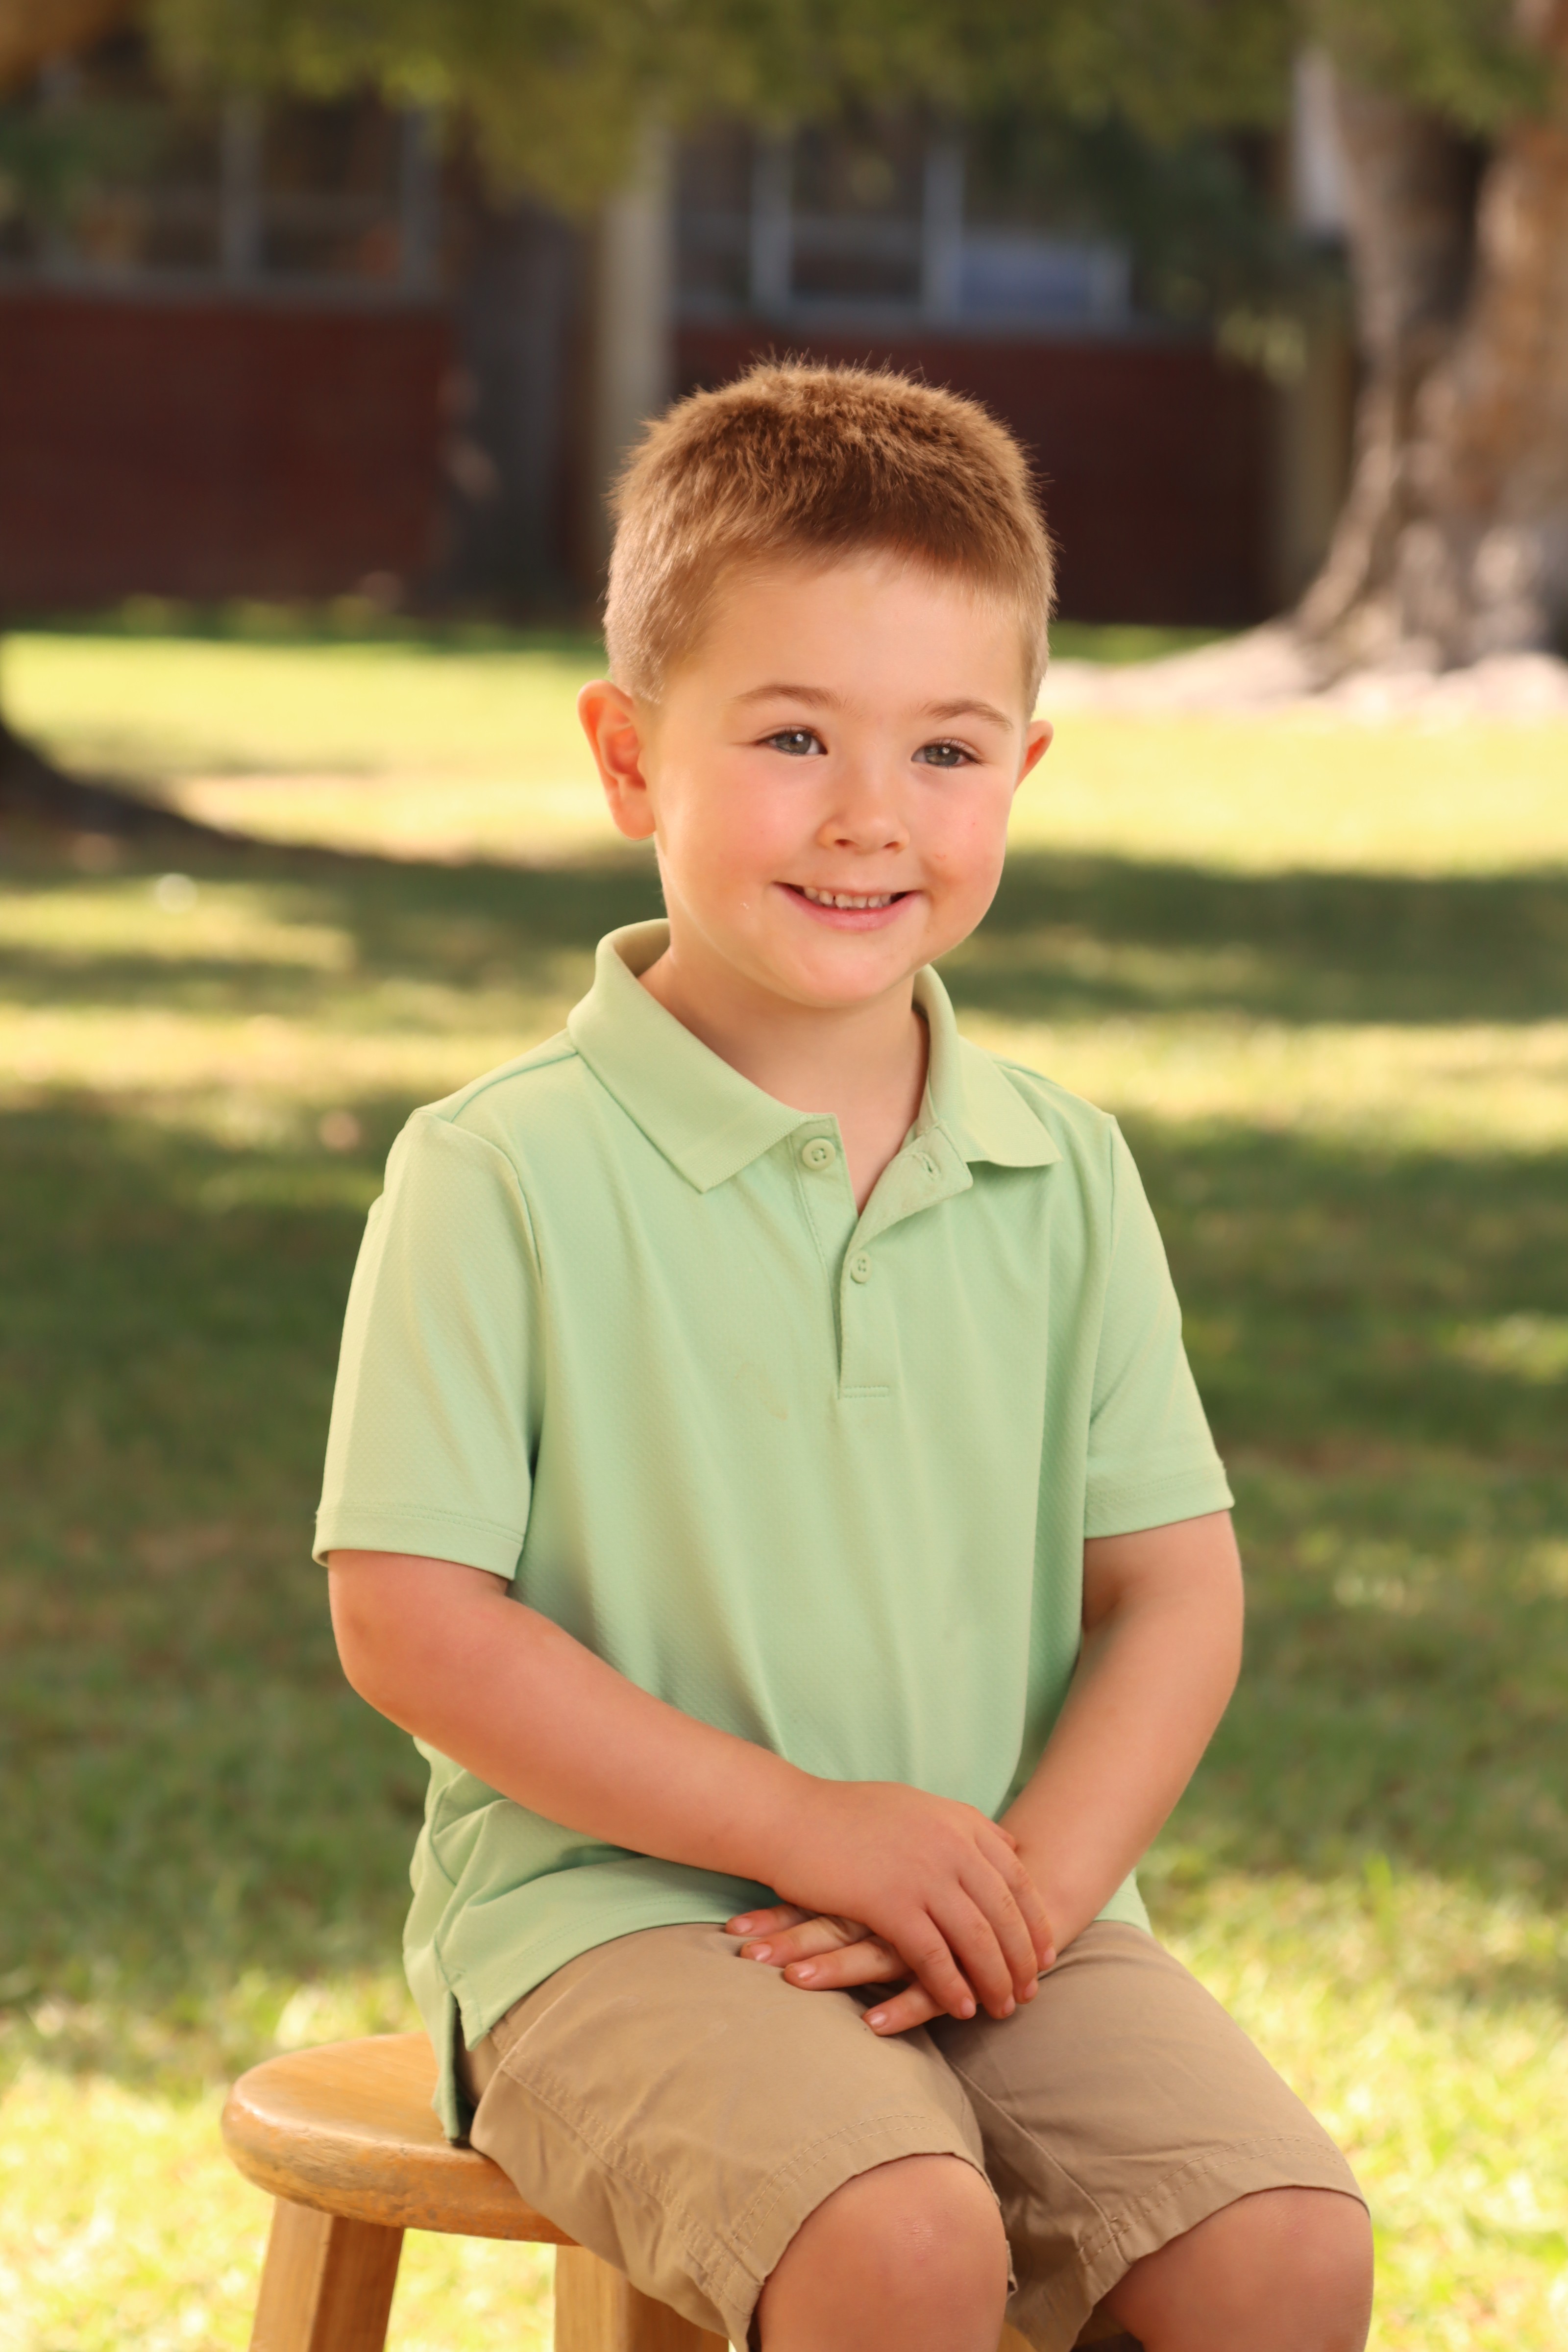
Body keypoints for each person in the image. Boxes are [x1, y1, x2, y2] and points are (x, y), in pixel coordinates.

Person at [317, 362, 1372, 2352]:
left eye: (946, 751)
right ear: (628, 759)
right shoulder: (500, 1170)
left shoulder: (1061, 1168)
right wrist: (810, 1832)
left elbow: (1175, 1592)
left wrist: (1027, 1895)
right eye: (793, 734)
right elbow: (409, 1622)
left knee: (1283, 2249)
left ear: (1022, 772)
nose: (871, 817)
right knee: (895, 2237)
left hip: (1009, 1914)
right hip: (609, 1925)